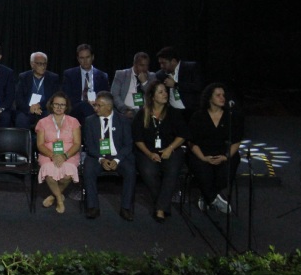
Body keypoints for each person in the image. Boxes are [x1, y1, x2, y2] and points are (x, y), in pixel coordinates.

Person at [132, 79, 189, 222]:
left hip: (171, 149)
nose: (165, 94)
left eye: (165, 91)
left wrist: (170, 148)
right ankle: (163, 204)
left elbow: (183, 135)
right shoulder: (142, 114)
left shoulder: (173, 113)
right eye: (161, 92)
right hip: (147, 150)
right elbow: (138, 139)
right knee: (148, 171)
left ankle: (160, 208)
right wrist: (149, 154)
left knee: (172, 170)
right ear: (152, 96)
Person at [187, 82, 243, 214]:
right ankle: (213, 198)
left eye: (223, 95)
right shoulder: (198, 116)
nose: (222, 98)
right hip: (202, 153)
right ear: (209, 98)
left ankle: (207, 195)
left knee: (226, 171)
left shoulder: (231, 116)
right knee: (202, 170)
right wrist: (203, 158)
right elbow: (191, 141)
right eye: (218, 95)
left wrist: (226, 156)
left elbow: (236, 141)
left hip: (223, 153)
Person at [82, 91, 136, 221]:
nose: (95, 108)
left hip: (119, 157)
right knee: (88, 169)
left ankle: (126, 207)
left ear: (109, 106)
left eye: (98, 105)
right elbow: (89, 145)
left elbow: (128, 144)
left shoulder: (123, 120)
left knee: (130, 170)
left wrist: (117, 160)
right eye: (95, 105)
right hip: (97, 156)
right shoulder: (90, 121)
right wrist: (101, 159)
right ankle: (93, 206)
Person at [35, 91, 81, 214]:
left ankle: (53, 196)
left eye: (62, 105)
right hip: (48, 154)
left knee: (67, 175)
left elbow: (77, 143)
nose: (59, 107)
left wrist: (64, 156)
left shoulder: (74, 121)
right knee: (49, 173)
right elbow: (40, 145)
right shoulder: (42, 122)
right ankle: (60, 200)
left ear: (66, 106)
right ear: (51, 105)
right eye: (56, 104)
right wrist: (53, 155)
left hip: (69, 154)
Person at [62, 44, 109, 123]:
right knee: (85, 106)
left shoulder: (102, 76)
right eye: (82, 58)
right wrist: (87, 103)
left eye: (87, 57)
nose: (85, 61)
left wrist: (96, 103)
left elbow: (105, 97)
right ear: (78, 59)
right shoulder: (69, 74)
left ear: (92, 57)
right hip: (75, 108)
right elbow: (67, 96)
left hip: (96, 107)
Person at [15, 52, 61, 130]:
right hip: (27, 109)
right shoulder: (24, 77)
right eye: (40, 64)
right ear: (32, 64)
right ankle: (25, 138)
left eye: (45, 64)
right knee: (21, 119)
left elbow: (54, 97)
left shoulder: (53, 78)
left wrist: (40, 105)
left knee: (50, 118)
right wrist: (29, 109)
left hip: (45, 109)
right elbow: (19, 98)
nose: (43, 67)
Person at [156, 46, 203, 117]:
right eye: (160, 63)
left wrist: (176, 85)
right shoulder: (160, 75)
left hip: (191, 112)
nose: (161, 66)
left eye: (164, 63)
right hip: (172, 114)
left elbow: (198, 87)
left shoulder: (190, 68)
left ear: (173, 61)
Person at [112, 52, 157, 118]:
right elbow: (114, 95)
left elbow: (154, 95)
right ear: (134, 64)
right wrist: (125, 110)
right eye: (142, 65)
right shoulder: (121, 75)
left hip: (146, 113)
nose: (144, 69)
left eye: (146, 65)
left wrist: (144, 83)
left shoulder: (152, 77)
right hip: (126, 112)